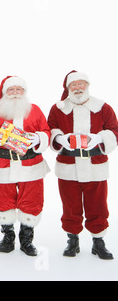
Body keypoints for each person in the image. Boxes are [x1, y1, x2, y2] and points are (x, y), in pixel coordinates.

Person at [48, 70, 118, 260]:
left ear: (87, 85)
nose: (77, 88)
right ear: (68, 88)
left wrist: (100, 138)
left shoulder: (102, 107)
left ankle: (98, 241)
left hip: (96, 165)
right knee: (70, 206)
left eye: (81, 84)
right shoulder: (58, 108)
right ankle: (73, 240)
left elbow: (114, 130)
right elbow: (51, 128)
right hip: (68, 166)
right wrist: (59, 138)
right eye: (73, 85)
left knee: (98, 206)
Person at [0, 76, 50, 256]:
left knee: (32, 201)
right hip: (1, 163)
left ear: (24, 92)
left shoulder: (35, 110)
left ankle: (26, 240)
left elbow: (45, 130)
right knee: (2, 200)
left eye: (18, 89)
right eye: (11, 90)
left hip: (30, 163)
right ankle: (8, 237)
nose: (14, 93)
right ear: (5, 93)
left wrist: (39, 138)